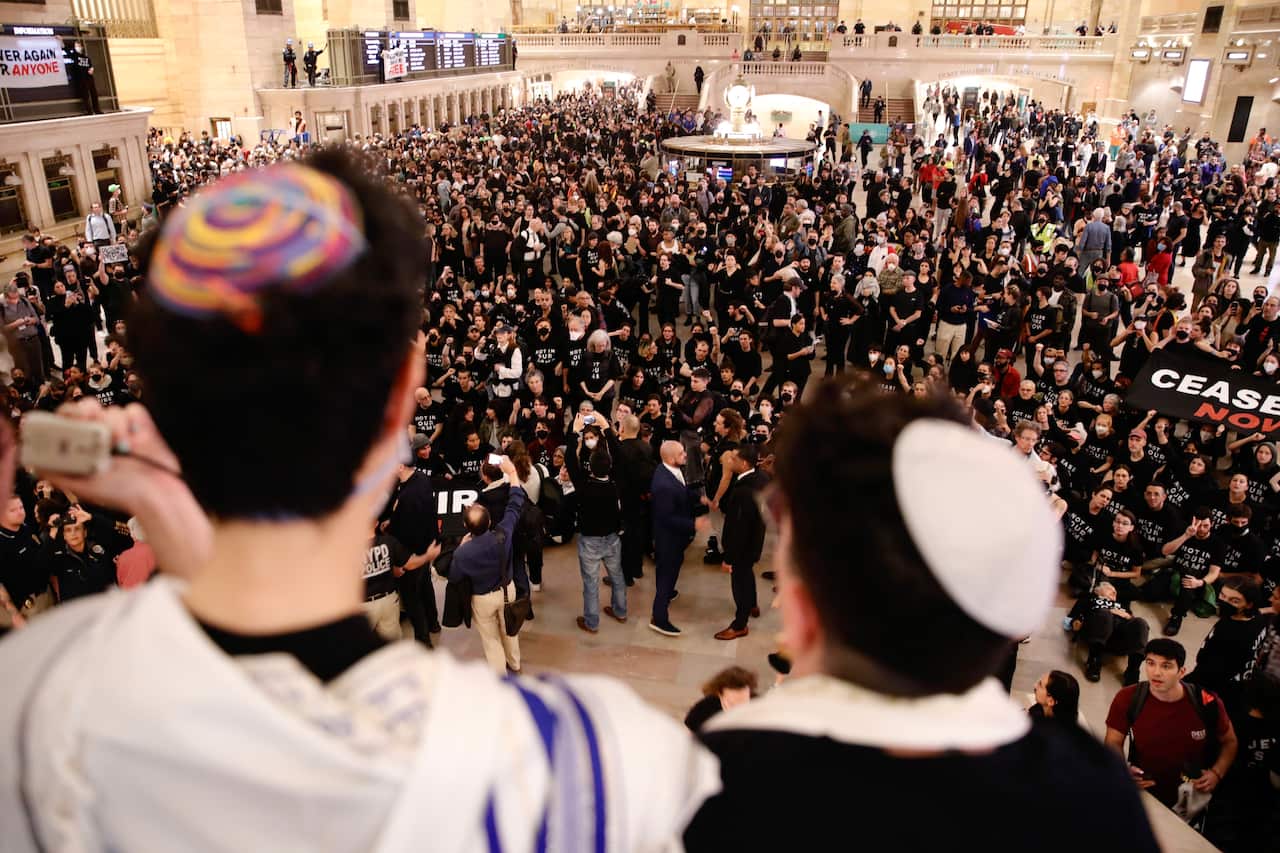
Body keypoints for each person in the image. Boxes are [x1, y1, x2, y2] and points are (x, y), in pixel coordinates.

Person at [0, 153, 720, 852]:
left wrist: (180, 521)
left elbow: (253, 656)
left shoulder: (31, 705)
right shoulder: (592, 768)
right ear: (404, 389)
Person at [684, 379, 1157, 851]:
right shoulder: (1095, 793)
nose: (782, 605)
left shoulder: (730, 776)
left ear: (810, 612)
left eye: (789, 586)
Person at [1104, 639, 1238, 810]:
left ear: (1181, 672)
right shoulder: (1129, 698)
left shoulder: (1206, 702)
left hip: (1191, 795)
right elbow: (1113, 741)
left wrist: (1216, 773)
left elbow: (1230, 742)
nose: (1156, 673)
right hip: (1144, 791)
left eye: (1166, 666)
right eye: (1151, 663)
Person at [451, 458, 527, 674]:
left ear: (466, 526)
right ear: (490, 522)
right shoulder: (503, 535)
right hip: (506, 590)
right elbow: (514, 503)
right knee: (510, 631)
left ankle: (500, 675)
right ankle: (515, 663)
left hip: (482, 598)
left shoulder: (462, 553)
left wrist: (461, 547)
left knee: (491, 638)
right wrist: (512, 473)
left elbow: (455, 577)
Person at [564, 412, 626, 633]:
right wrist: (607, 428)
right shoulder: (615, 483)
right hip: (611, 538)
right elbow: (619, 455)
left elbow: (570, 460)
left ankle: (592, 622)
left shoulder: (584, 487)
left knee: (591, 584)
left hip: (590, 539)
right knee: (617, 576)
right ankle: (620, 611)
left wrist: (574, 433)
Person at [650, 439, 710, 636]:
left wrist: (697, 497)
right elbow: (666, 518)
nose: (685, 455)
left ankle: (668, 592)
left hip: (676, 537)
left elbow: (682, 491)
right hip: (668, 538)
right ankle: (659, 618)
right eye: (682, 453)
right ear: (670, 458)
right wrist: (694, 524)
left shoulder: (670, 470)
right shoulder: (664, 485)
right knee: (667, 572)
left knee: (673, 566)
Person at [713, 443, 767, 640]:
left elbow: (738, 528)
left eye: (733, 459)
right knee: (747, 574)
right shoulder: (760, 477)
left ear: (744, 464)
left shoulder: (744, 491)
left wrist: (729, 558)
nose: (729, 460)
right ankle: (752, 603)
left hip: (743, 547)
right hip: (754, 541)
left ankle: (740, 624)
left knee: (740, 583)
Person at [684, 666, 756, 731]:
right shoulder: (706, 707)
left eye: (742, 702)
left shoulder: (757, 708)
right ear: (720, 694)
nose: (738, 708)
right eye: (732, 703)